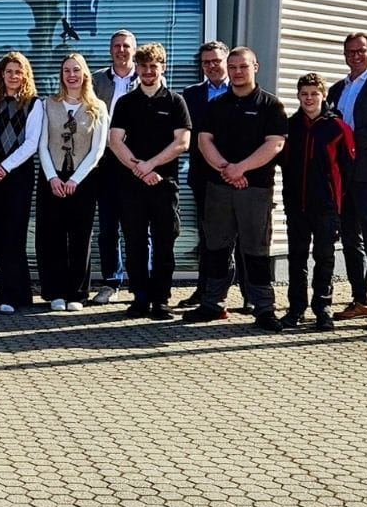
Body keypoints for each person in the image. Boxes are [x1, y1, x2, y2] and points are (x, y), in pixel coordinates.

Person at [185, 47, 288, 331]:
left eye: (243, 66)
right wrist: (226, 169)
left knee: (255, 250)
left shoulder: (270, 105)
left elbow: (275, 144)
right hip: (218, 188)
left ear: (255, 67)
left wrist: (240, 169)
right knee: (216, 248)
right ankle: (213, 304)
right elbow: (204, 140)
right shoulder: (217, 105)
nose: (237, 72)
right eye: (232, 67)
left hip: (256, 190)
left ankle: (264, 309)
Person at [108, 42, 192, 320]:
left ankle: (161, 300)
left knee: (164, 243)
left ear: (162, 67)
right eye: (143, 66)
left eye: (153, 66)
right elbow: (115, 141)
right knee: (134, 242)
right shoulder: (126, 102)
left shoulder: (175, 101)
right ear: (137, 68)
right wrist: (139, 169)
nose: (148, 71)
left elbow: (182, 142)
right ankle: (140, 298)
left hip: (164, 185)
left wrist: (151, 165)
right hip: (132, 185)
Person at [280, 73, 354, 330]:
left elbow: (348, 170)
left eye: (314, 93)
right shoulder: (290, 127)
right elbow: (282, 163)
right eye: (304, 94)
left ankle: (323, 308)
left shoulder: (338, 128)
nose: (309, 98)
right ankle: (296, 309)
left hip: (326, 207)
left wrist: (339, 205)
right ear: (298, 96)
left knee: (324, 258)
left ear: (323, 96)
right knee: (296, 258)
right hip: (296, 206)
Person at [35, 54, 107, 312]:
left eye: (76, 70)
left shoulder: (97, 107)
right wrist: (52, 177)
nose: (71, 75)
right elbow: (42, 144)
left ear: (84, 74)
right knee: (52, 236)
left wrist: (76, 178)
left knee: (80, 237)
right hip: (52, 177)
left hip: (83, 179)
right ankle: (55, 292)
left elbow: (98, 149)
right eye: (66, 70)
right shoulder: (48, 104)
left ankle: (77, 293)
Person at [178, 41, 246, 308]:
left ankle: (249, 295)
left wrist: (237, 168)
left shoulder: (244, 90)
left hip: (239, 174)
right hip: (204, 177)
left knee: (243, 236)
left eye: (216, 61)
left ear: (226, 61)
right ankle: (204, 291)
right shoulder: (191, 94)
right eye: (206, 62)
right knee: (208, 236)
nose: (211, 66)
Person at [328, 32, 367, 329]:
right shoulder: (337, 88)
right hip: (344, 174)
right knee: (351, 238)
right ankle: (360, 300)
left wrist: (353, 140)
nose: (355, 55)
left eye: (361, 50)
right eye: (350, 51)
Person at [0, 52, 43, 313]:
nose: (13, 76)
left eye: (18, 72)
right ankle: (21, 293)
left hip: (18, 175)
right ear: (1, 75)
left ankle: (8, 295)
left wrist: (5, 166)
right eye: (9, 72)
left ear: (25, 75)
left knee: (15, 235)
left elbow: (31, 143)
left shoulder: (34, 104)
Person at [89, 29, 138, 304]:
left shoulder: (146, 77)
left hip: (135, 160)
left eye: (126, 46)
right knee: (108, 227)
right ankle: (111, 282)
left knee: (139, 225)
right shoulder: (96, 80)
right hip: (105, 161)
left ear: (134, 50)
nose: (121, 50)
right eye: (117, 46)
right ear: (110, 50)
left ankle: (141, 282)